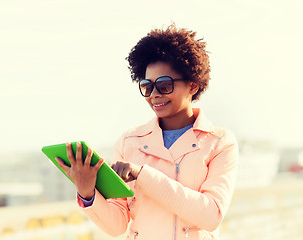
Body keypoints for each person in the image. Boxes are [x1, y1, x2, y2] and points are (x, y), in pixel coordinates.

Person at [55, 23, 239, 240]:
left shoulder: (219, 142)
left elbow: (211, 215)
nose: (154, 95)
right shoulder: (128, 141)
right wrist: (87, 193)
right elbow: (117, 225)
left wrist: (141, 175)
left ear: (193, 85)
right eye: (147, 86)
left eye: (164, 84)